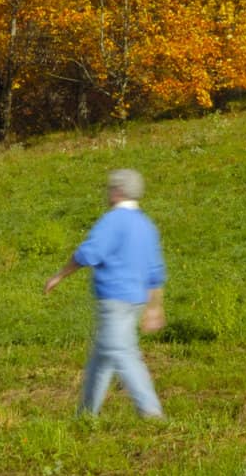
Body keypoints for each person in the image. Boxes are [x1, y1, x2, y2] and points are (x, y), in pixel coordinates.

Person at [44, 168, 167, 419]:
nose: (108, 193)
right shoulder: (146, 225)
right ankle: (86, 415)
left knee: (122, 353)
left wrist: (59, 275)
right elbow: (155, 271)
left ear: (118, 191)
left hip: (115, 299)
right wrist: (155, 307)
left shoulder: (113, 220)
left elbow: (88, 253)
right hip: (135, 301)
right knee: (101, 360)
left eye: (111, 188)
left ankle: (151, 413)